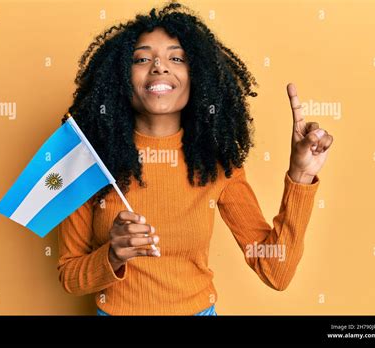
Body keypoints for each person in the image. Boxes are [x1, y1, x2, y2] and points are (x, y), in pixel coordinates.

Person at [56, 2, 334, 316]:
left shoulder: (216, 165)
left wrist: (300, 177)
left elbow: (276, 272)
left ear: (197, 76)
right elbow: (70, 276)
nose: (159, 66)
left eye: (176, 58)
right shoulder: (88, 160)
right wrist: (113, 255)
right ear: (120, 76)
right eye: (142, 58)